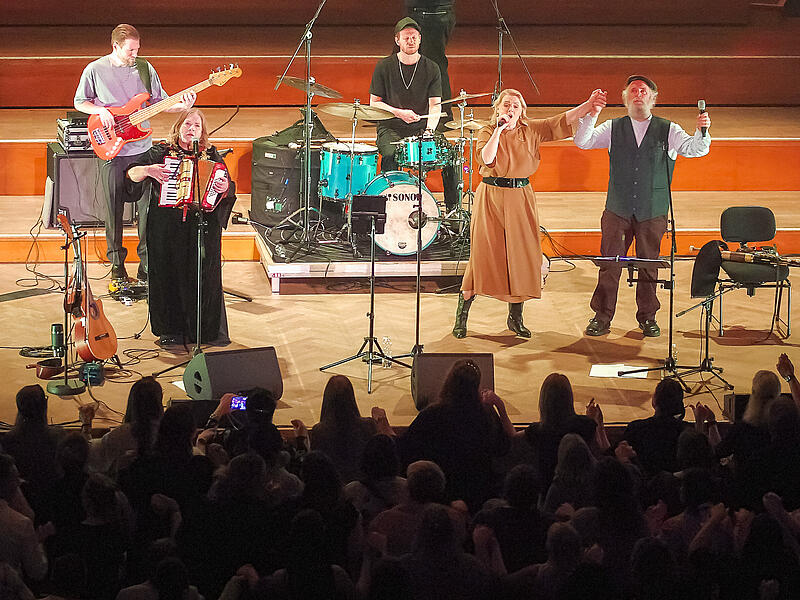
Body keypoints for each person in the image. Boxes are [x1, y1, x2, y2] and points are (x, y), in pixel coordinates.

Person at [452, 88, 601, 338]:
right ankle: (462, 316)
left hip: (521, 198)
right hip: (492, 197)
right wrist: (499, 129)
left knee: (520, 255)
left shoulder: (531, 129)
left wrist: (588, 105)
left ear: (522, 112)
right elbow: (487, 160)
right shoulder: (487, 131)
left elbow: (563, 120)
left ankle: (515, 317)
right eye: (506, 105)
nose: (510, 109)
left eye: (516, 106)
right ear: (497, 109)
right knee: (484, 254)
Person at [574, 75, 712, 337]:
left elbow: (696, 149)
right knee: (610, 264)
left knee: (649, 265)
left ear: (653, 98)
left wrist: (701, 130)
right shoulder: (613, 127)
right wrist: (592, 114)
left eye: (644, 90)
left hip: (652, 209)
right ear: (625, 97)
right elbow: (583, 141)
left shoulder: (668, 129)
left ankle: (647, 317)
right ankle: (602, 316)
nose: (639, 94)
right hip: (618, 208)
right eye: (633, 90)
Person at [74, 24, 196, 282]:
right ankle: (117, 267)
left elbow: (159, 104)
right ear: (115, 47)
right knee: (113, 212)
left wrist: (182, 106)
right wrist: (100, 111)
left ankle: (147, 267)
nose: (135, 54)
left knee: (147, 213)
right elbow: (79, 101)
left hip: (142, 149)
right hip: (113, 149)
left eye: (137, 49)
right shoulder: (95, 69)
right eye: (130, 50)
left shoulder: (144, 68)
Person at [126, 108, 235, 347]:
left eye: (196, 126)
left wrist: (223, 186)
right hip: (166, 228)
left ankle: (203, 331)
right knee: (167, 275)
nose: (191, 129)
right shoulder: (160, 152)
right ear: (178, 128)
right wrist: (148, 171)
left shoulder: (212, 156)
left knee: (202, 277)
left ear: (202, 132)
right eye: (187, 124)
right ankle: (171, 330)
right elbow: (131, 173)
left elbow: (228, 189)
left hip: (201, 228)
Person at [369, 17, 460, 213]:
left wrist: (429, 130)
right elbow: (373, 103)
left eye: (414, 37)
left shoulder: (432, 68)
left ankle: (453, 211)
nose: (410, 41)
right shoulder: (384, 66)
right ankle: (390, 206)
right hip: (391, 126)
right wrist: (398, 113)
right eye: (406, 37)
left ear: (420, 39)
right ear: (397, 41)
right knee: (390, 155)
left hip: (421, 128)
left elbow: (435, 105)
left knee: (451, 158)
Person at [403, 1, 456, 123]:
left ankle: (442, 114)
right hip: (419, 11)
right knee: (401, 58)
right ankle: (390, 110)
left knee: (435, 64)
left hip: (432, 13)